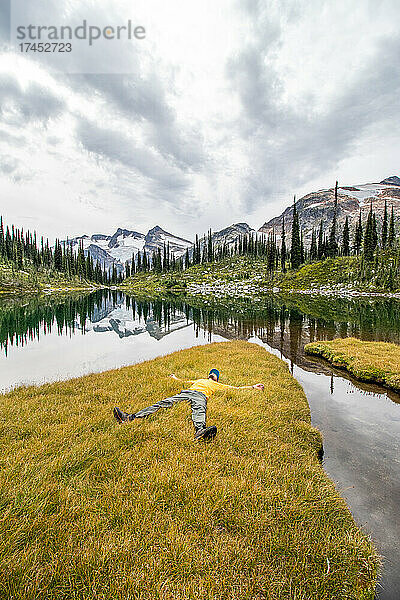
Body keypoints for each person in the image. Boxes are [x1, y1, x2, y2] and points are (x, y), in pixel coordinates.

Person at [113, 368, 265, 441]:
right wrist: (174, 377)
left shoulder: (218, 385)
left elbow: (235, 389)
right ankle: (130, 418)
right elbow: (183, 382)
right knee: (165, 402)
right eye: (212, 373)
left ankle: (200, 431)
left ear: (216, 379)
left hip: (200, 396)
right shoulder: (198, 380)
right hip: (186, 392)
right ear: (209, 375)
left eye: (214, 374)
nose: (212, 375)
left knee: (199, 410)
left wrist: (253, 387)